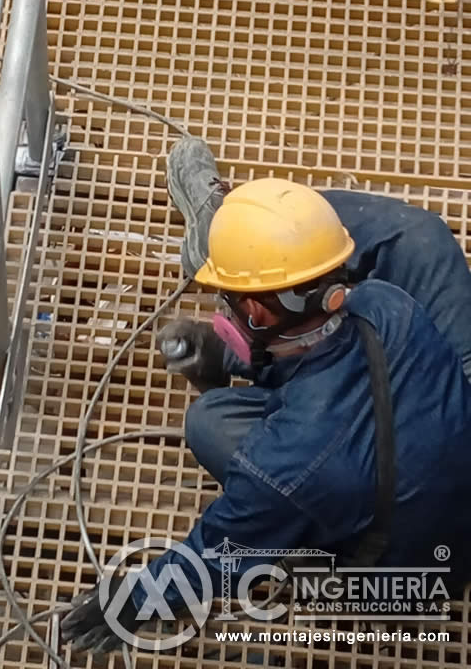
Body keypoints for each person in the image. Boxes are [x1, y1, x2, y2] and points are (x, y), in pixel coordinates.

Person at [61, 137, 471, 653]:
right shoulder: (389, 305)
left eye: (227, 300)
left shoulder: (285, 471)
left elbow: (213, 559)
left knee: (209, 421)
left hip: (404, 575)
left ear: (254, 313)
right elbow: (325, 348)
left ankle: (225, 239)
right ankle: (230, 224)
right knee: (419, 240)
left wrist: (133, 601)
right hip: (451, 438)